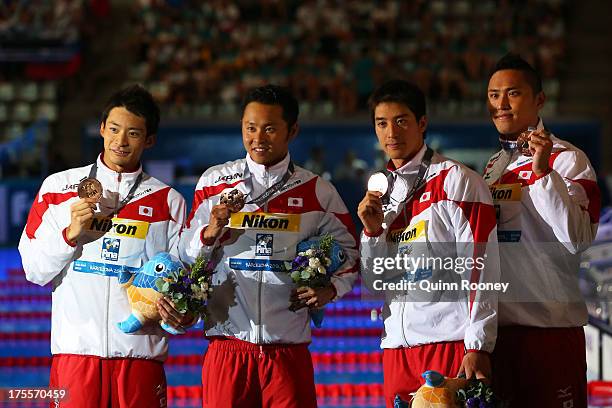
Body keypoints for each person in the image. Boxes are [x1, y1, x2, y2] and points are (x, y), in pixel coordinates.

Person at [179, 84, 359, 408]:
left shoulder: (317, 190)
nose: (258, 138)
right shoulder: (214, 183)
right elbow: (186, 255)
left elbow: (350, 251)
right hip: (227, 346)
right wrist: (211, 231)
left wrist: (331, 289)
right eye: (250, 128)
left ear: (293, 131)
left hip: (288, 353)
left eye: (270, 128)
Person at [18, 85, 188, 407]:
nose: (120, 141)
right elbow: (33, 269)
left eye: (133, 133)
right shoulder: (58, 189)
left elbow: (182, 281)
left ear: (149, 140)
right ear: (101, 129)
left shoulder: (169, 202)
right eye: (113, 129)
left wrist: (182, 313)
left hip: (140, 359)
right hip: (75, 358)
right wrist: (70, 234)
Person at [358, 80, 500, 407]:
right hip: (396, 349)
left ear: (422, 123)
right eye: (382, 123)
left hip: (448, 344)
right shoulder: (382, 196)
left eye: (401, 121)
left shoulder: (457, 181)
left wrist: (478, 346)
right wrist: (372, 233)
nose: (391, 132)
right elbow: (374, 284)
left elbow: (481, 266)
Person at [483, 54, 600, 407]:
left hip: (549, 334)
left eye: (512, 93)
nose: (501, 105)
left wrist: (542, 173)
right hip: (499, 336)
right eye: (493, 95)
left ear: (539, 100)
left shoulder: (568, 158)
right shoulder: (492, 168)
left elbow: (577, 238)